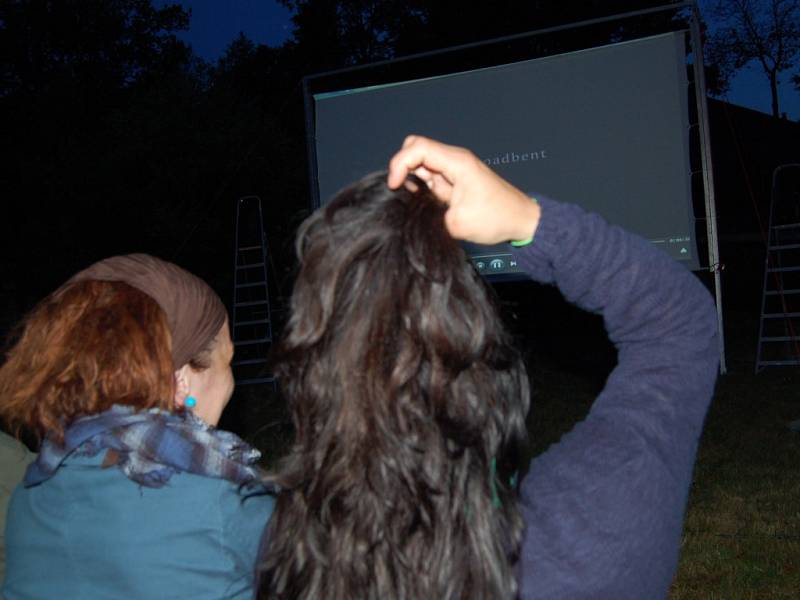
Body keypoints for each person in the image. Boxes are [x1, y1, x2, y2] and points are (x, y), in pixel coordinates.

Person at [256, 136, 719, 599]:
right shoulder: (580, 540)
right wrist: (529, 219)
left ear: (313, 374)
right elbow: (678, 331)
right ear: (476, 349)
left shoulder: (287, 561)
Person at [0, 254, 273, 599]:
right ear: (182, 382)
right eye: (227, 361)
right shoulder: (226, 503)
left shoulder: (30, 499)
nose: (232, 381)